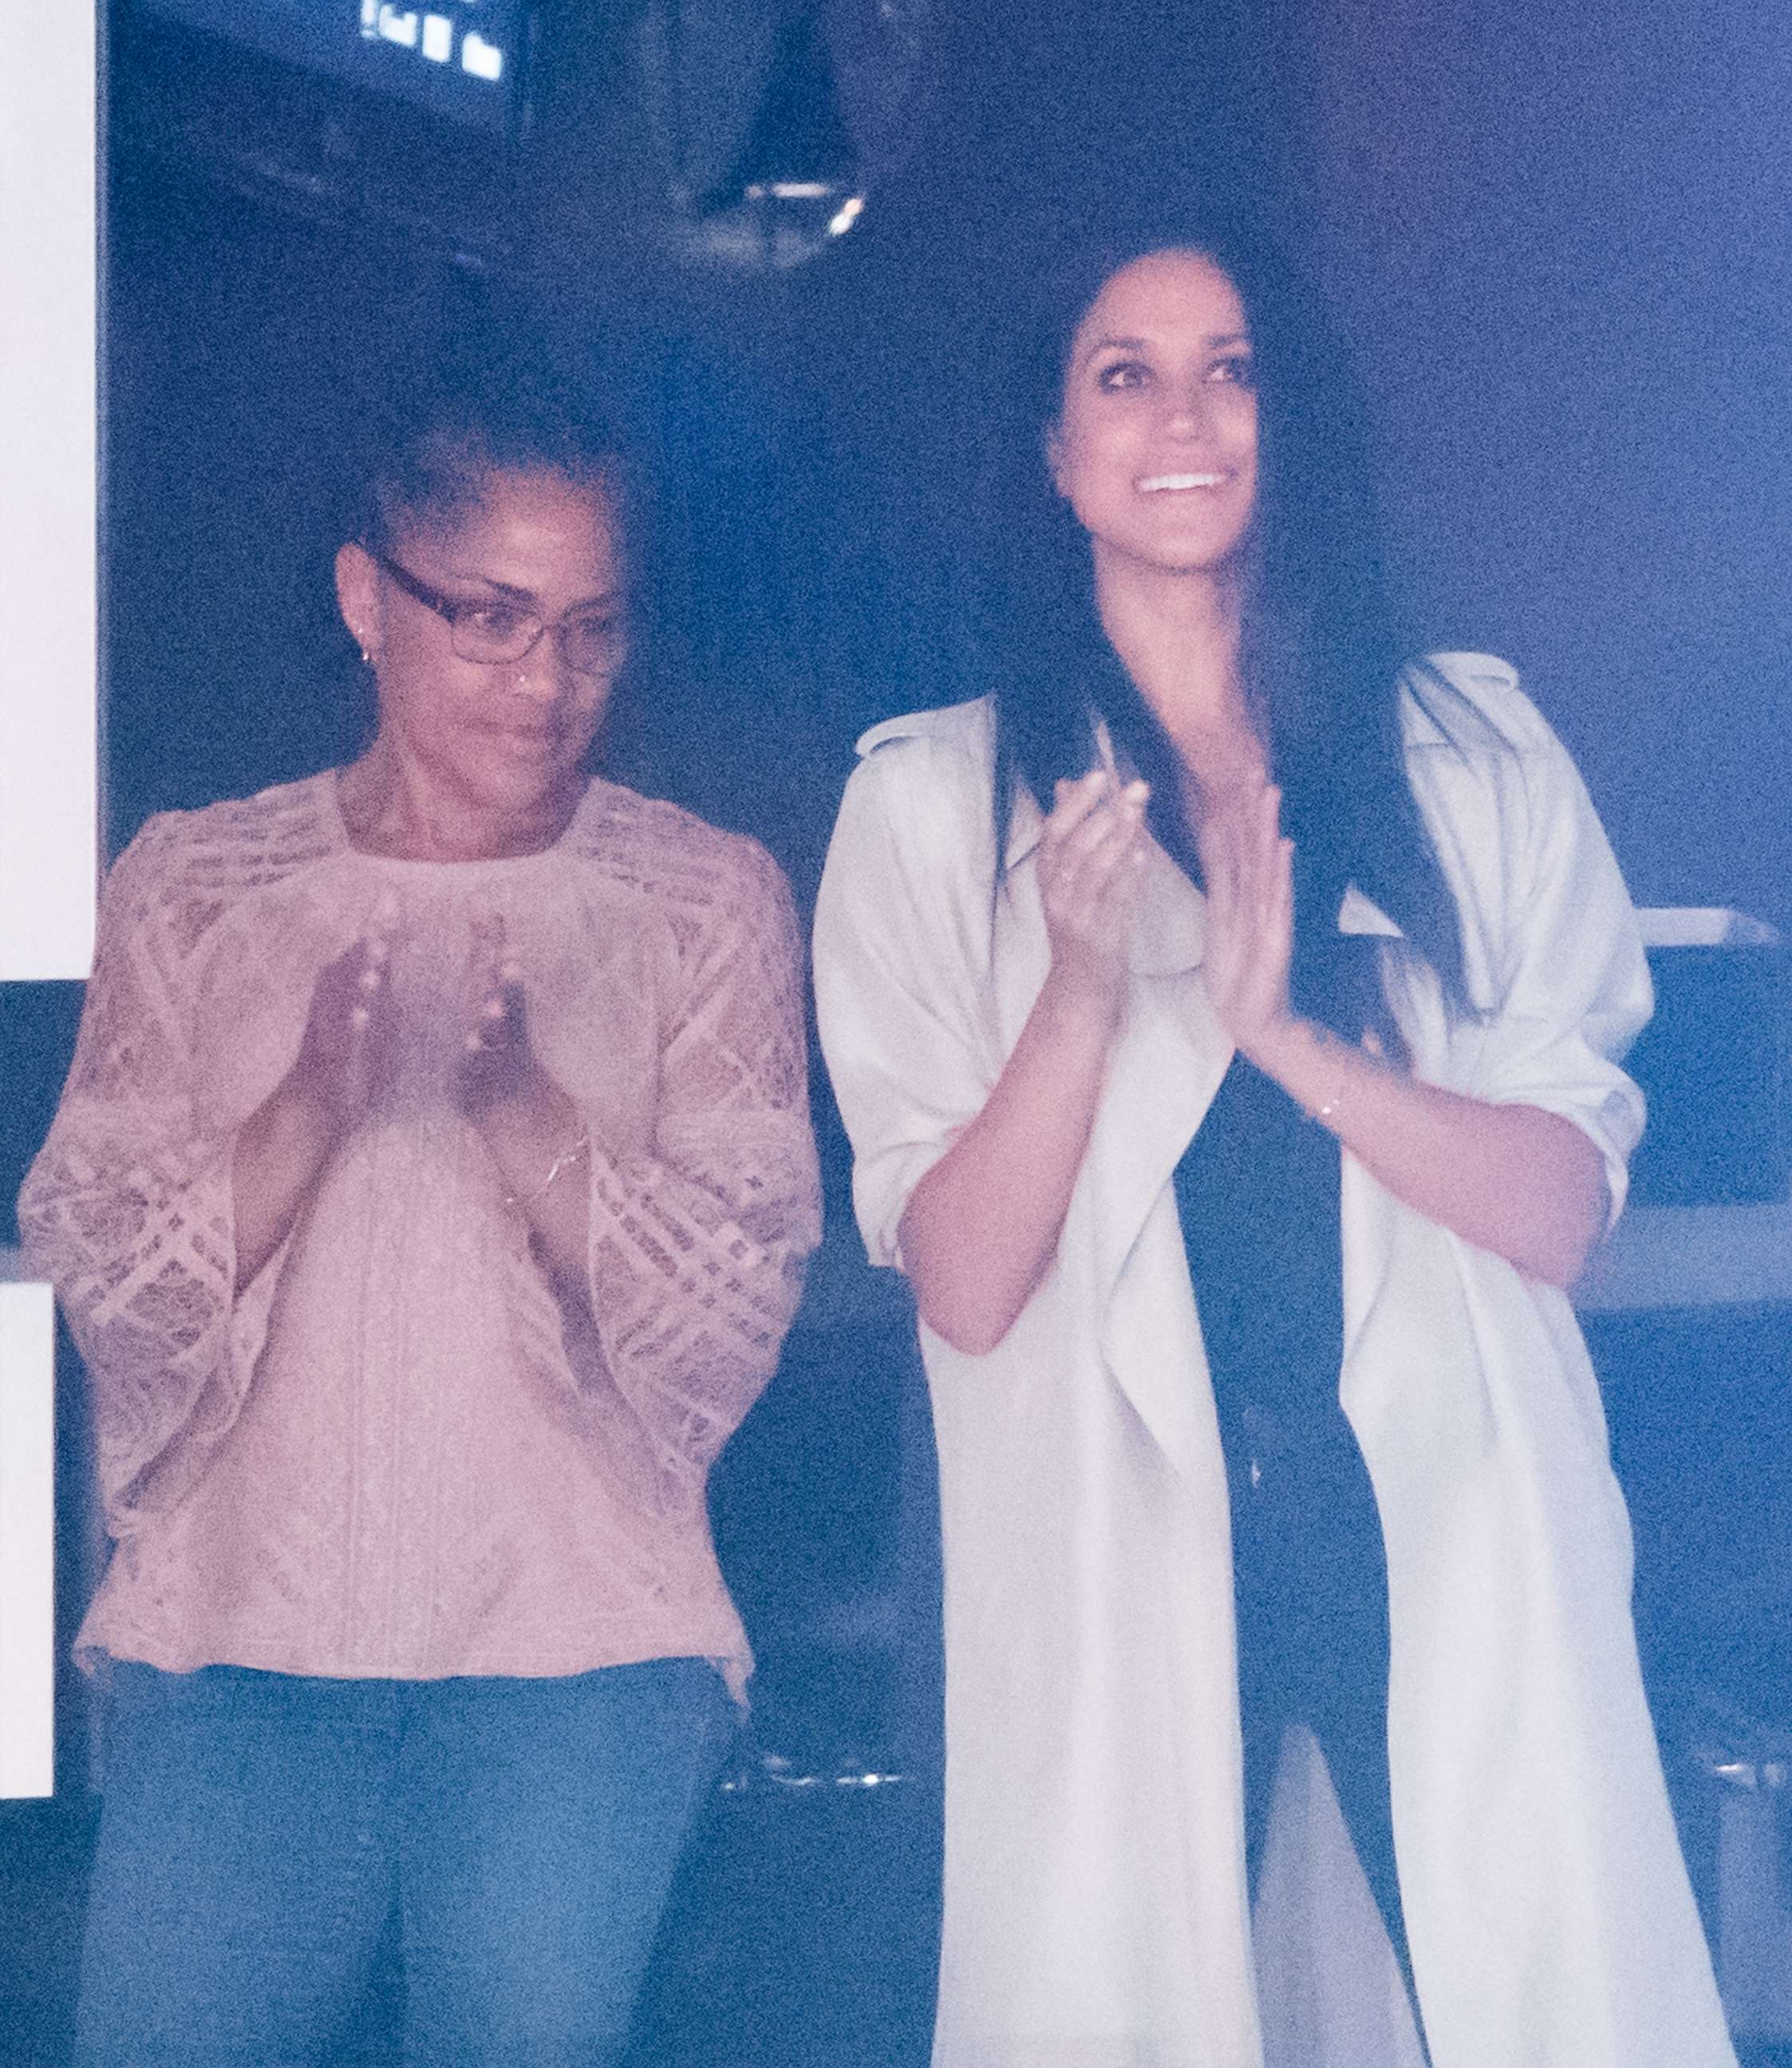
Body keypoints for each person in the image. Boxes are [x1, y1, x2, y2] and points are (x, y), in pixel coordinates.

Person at [812, 219, 1736, 2067]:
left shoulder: (1465, 751)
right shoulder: (930, 805)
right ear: (1056, 449)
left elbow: (1562, 1208)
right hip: (1117, 1559)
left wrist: (1294, 1047)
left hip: (1442, 1529)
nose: (1185, 417)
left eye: (1231, 369)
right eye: (1124, 374)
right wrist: (1077, 996)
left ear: (1285, 419)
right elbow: (966, 1285)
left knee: (1531, 1999)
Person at [20, 361, 822, 2067]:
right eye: (489, 619)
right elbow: (99, 1279)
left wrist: (529, 1124)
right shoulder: (199, 880)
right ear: (364, 599)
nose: (544, 684)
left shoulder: (701, 896)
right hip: (236, 1657)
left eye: (590, 631)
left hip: (582, 1663)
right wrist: (308, 1110)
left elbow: (733, 1328)